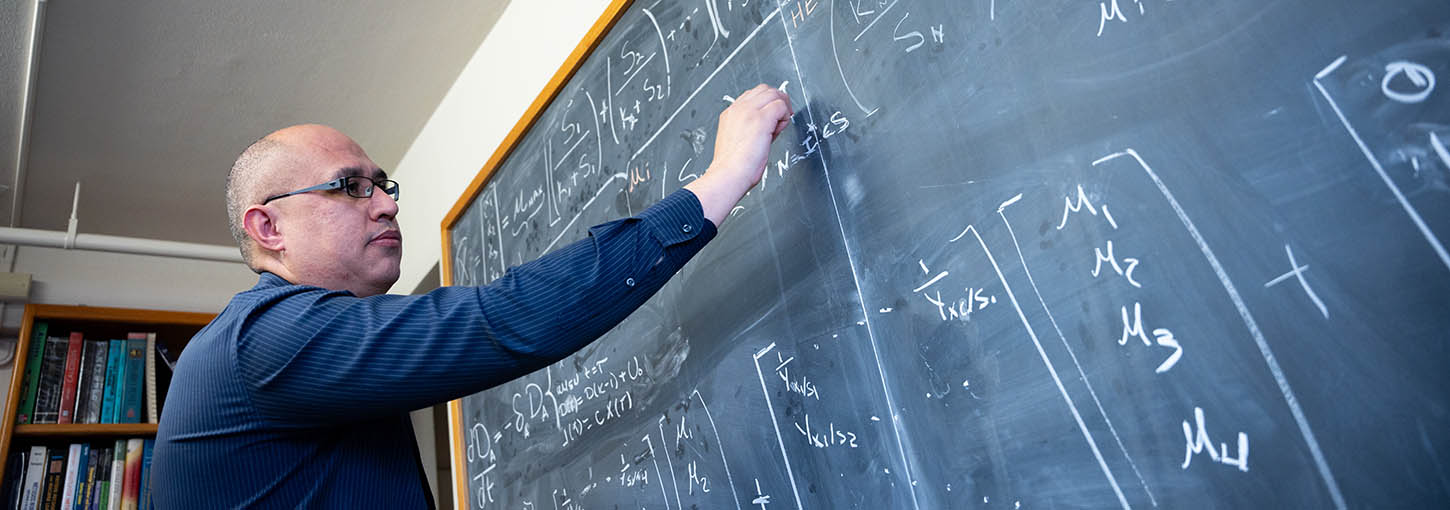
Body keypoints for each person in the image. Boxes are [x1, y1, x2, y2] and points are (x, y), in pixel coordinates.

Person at [150, 84, 793, 508]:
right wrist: (723, 179)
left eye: (383, 185)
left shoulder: (302, 352)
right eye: (349, 186)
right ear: (268, 228)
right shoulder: (261, 340)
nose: (384, 204)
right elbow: (502, 321)